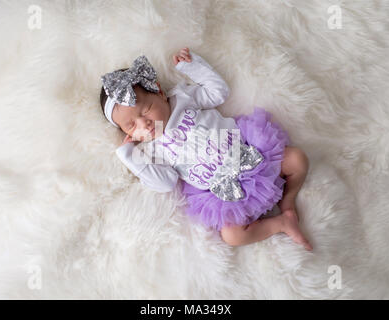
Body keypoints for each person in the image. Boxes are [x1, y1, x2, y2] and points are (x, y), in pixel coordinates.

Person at [99, 47, 312, 251]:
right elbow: (166, 183)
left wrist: (193, 67)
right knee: (233, 236)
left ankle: (288, 203)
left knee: (298, 159)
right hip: (224, 194)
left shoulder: (182, 99)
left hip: (251, 155)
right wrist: (129, 156)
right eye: (131, 126)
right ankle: (280, 224)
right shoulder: (152, 151)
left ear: (160, 93)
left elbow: (219, 92)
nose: (144, 124)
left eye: (146, 110)